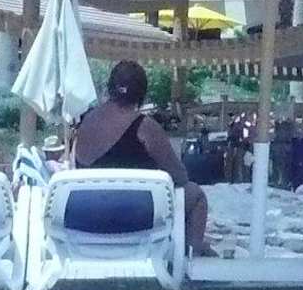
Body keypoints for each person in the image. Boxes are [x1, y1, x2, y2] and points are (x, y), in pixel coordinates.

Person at [72, 60, 209, 255]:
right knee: (195, 195)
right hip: (134, 220)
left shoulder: (86, 122)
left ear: (110, 88)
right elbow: (180, 177)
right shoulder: (145, 128)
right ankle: (192, 253)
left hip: (88, 217)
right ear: (142, 93)